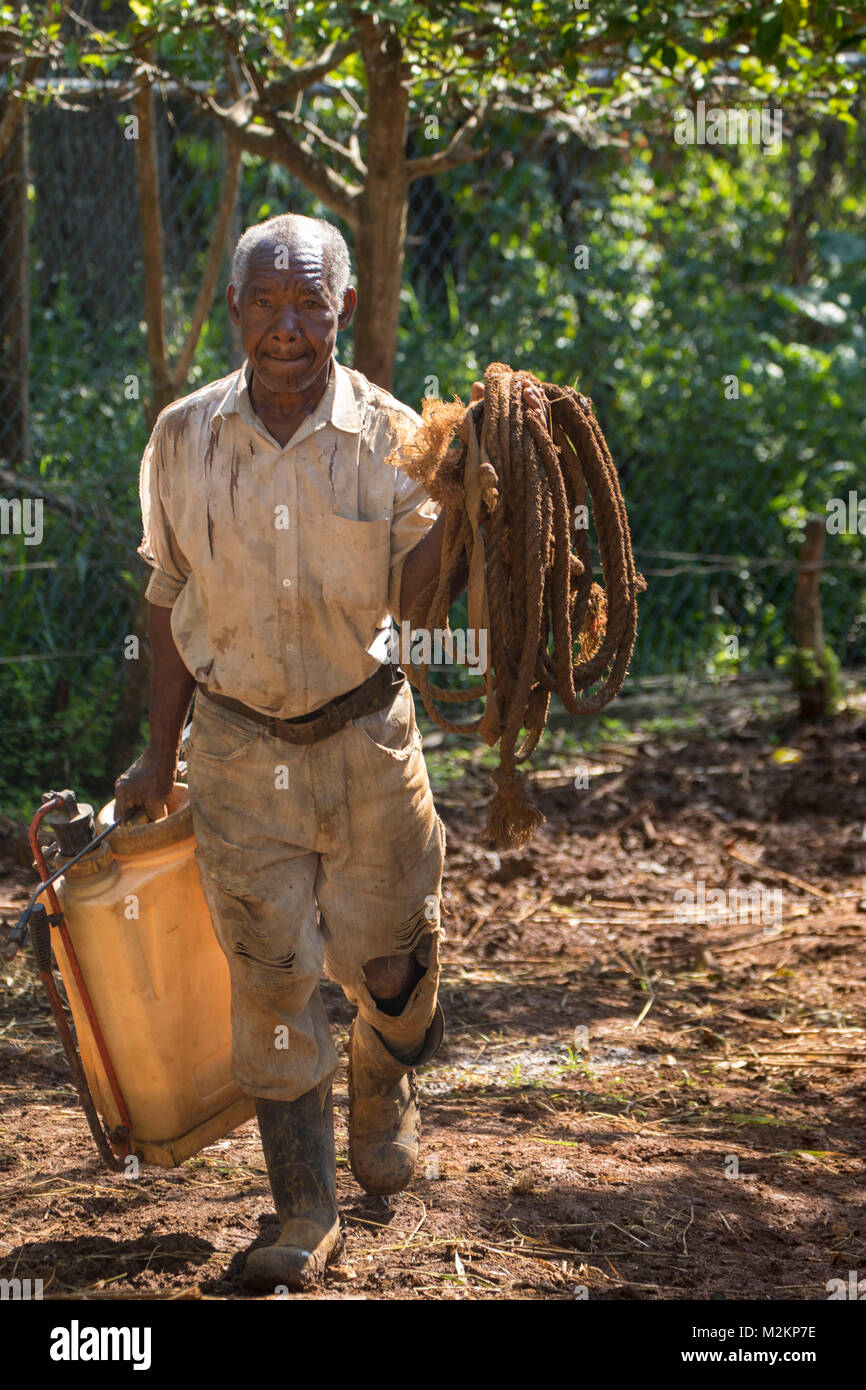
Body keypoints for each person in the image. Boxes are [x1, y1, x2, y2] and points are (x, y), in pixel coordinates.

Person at [115, 210, 544, 1292]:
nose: (287, 326)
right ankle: (300, 1212)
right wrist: (152, 756)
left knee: (395, 963)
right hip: (233, 745)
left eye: (309, 302)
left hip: (365, 736)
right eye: (266, 301)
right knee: (269, 980)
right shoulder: (180, 438)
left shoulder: (397, 440)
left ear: (342, 308)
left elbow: (416, 609)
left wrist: (459, 496)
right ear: (233, 311)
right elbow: (167, 596)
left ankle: (380, 1072)